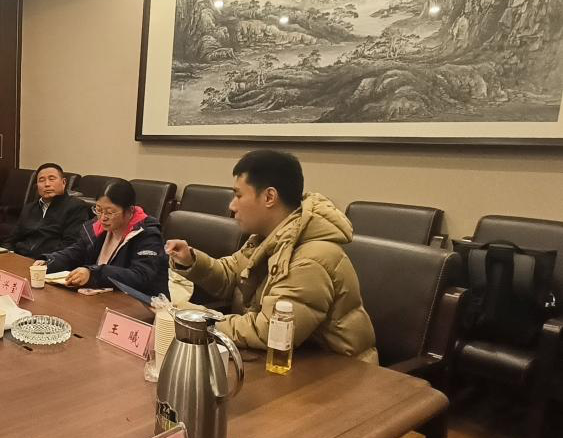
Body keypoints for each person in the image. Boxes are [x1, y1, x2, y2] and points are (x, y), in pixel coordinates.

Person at [164, 150, 377, 363]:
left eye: (239, 195)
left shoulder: (312, 258)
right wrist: (191, 260)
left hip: (339, 373)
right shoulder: (269, 237)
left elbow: (271, 331)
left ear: (269, 197)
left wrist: (202, 320)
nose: (232, 206)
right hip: (294, 362)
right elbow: (231, 274)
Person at [35, 179, 168, 297]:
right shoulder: (98, 227)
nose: (103, 218)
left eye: (110, 212)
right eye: (98, 210)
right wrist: (49, 261)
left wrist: (93, 274)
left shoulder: (147, 234)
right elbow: (76, 252)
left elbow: (140, 276)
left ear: (130, 211)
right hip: (100, 297)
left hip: (138, 303)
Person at [3, 163, 94, 258]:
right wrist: (6, 254)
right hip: (20, 258)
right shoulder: (29, 208)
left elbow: (70, 245)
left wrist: (44, 259)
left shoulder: (76, 207)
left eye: (52, 179)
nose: (47, 184)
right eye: (41, 180)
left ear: (63, 182)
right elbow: (11, 239)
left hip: (48, 261)